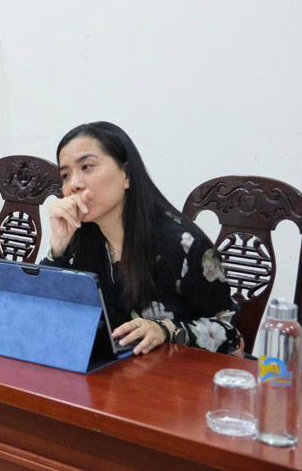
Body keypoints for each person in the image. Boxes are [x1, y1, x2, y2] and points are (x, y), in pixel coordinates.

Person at [43, 121, 241, 356]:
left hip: (169, 371)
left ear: (126, 175)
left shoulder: (185, 245)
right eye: (65, 175)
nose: (74, 184)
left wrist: (165, 330)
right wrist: (58, 247)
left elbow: (228, 332)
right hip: (103, 368)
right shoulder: (80, 237)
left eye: (86, 167)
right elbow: (41, 315)